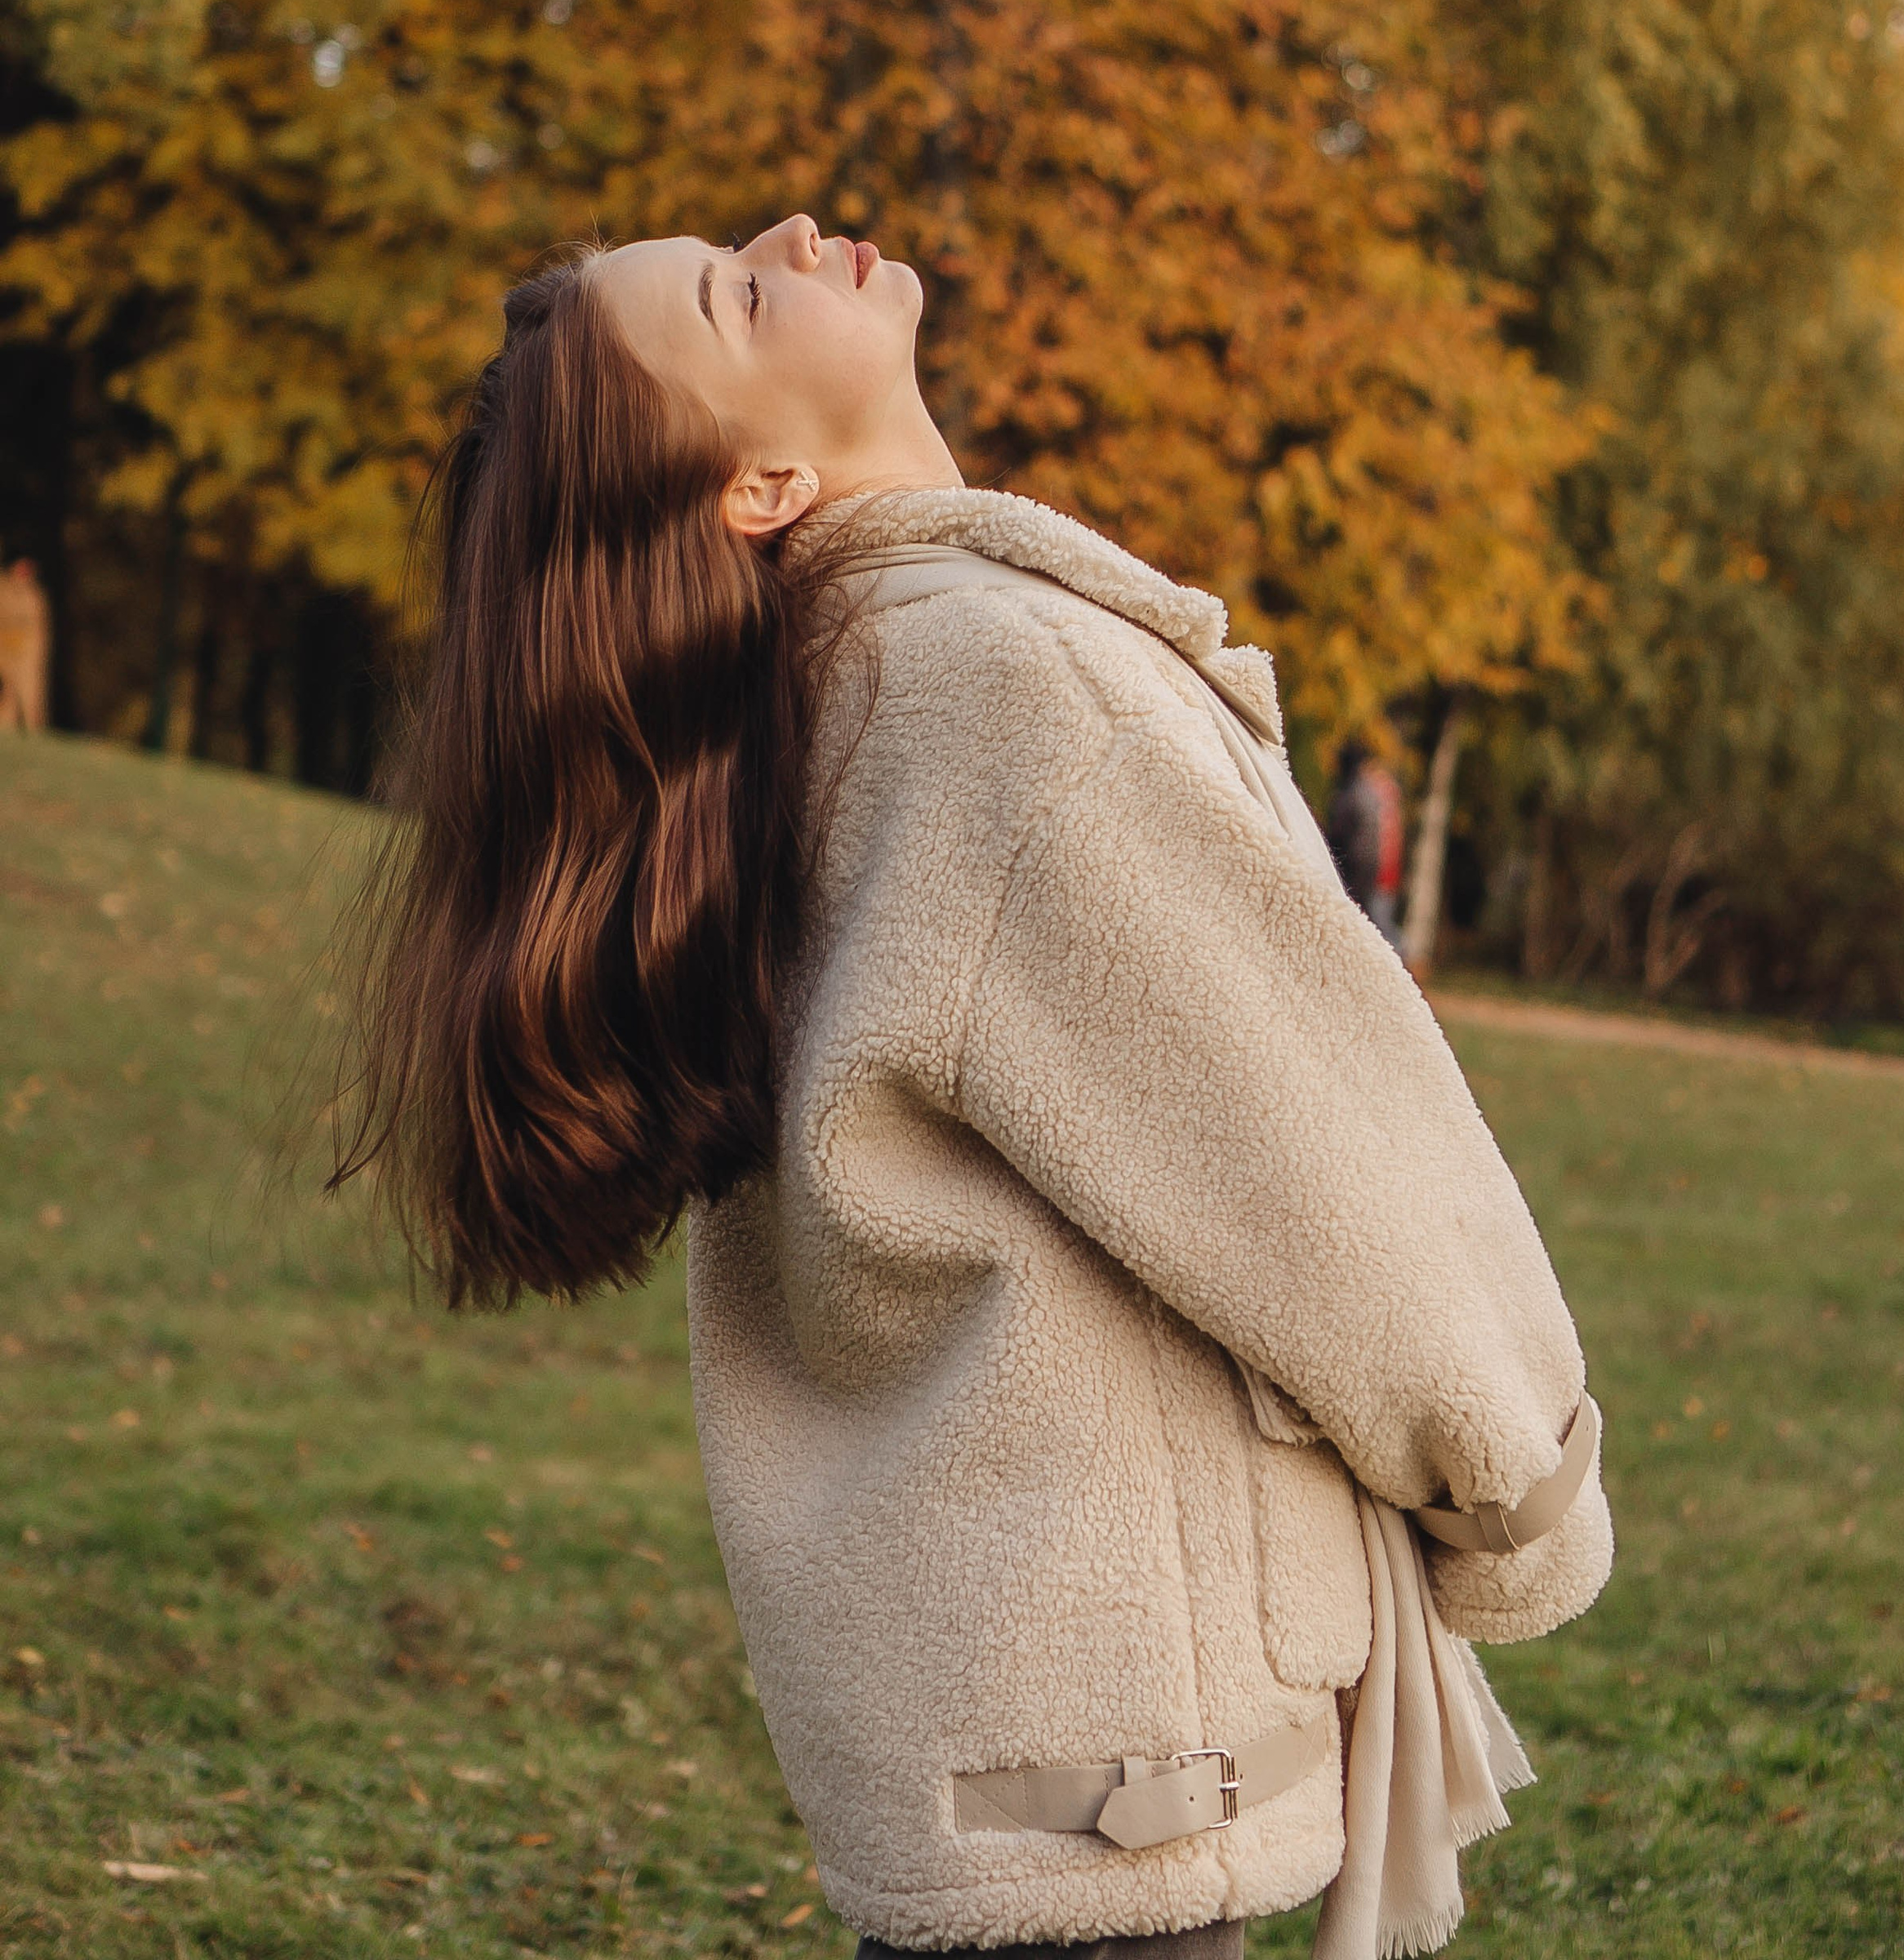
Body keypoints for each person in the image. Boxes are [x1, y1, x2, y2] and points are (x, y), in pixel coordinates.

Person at [333, 217, 1611, 1960]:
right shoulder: (997, 687)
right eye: (736, 291)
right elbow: (1314, 1152)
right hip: (1113, 1742)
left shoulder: (829, 703)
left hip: (992, 1714)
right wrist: (1519, 1487)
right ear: (763, 482)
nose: (786, 235)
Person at [1324, 739, 1404, 942]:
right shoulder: (1373, 793)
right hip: (1378, 873)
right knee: (1380, 928)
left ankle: (1404, 966)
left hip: (1363, 876)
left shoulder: (1354, 795)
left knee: (1378, 932)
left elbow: (1344, 840)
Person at [0, 555, 51, 732]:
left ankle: (34, 735)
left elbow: (38, 633)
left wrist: (34, 658)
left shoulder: (34, 598)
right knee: (8, 698)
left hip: (26, 657)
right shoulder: (4, 590)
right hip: (6, 654)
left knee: (30, 699)